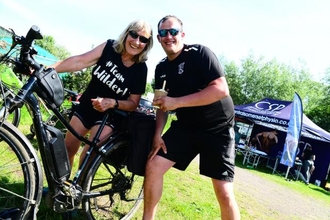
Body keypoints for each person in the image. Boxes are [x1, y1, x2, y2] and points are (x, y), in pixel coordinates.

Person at [143, 15, 240, 220]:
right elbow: (162, 104)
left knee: (223, 192)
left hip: (218, 128)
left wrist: (176, 102)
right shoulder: (161, 68)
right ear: (159, 38)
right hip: (186, 127)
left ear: (182, 34)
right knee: (153, 166)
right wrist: (157, 134)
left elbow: (221, 89)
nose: (168, 36)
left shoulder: (200, 53)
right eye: (163, 33)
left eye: (173, 31)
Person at [51, 19, 153, 167]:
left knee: (89, 155)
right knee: (68, 149)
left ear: (147, 45)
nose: (137, 42)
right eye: (134, 35)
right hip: (86, 106)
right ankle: (61, 187)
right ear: (126, 34)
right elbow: (79, 61)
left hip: (110, 116)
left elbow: (133, 104)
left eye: (143, 39)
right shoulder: (109, 47)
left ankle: (78, 188)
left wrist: (112, 102)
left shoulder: (141, 69)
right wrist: (49, 69)